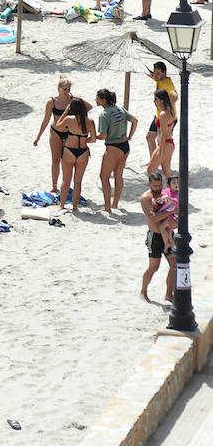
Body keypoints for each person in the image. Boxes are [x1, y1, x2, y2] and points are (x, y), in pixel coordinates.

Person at [95, 89, 137, 212]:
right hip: (125, 145)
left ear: (103, 100)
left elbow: (103, 135)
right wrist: (130, 136)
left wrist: (92, 138)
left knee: (104, 177)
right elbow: (135, 121)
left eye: (97, 98)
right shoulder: (120, 109)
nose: (96, 100)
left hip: (113, 147)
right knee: (119, 176)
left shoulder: (104, 114)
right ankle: (115, 204)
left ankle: (107, 207)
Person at [34, 76, 74, 195]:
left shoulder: (73, 100)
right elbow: (46, 120)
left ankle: (65, 184)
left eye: (69, 89)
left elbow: (87, 107)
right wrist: (38, 136)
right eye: (65, 90)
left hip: (68, 132)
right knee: (55, 159)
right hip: (55, 132)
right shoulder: (51, 101)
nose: (67, 92)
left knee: (66, 160)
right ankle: (54, 185)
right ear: (59, 89)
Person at [54, 96, 95, 214]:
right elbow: (93, 139)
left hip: (69, 151)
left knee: (66, 180)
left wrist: (66, 111)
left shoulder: (69, 119)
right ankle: (75, 206)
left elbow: (58, 126)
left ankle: (61, 205)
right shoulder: (90, 121)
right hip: (83, 152)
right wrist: (84, 140)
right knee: (78, 181)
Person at [141, 173, 177, 303]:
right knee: (154, 267)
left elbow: (177, 207)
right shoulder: (146, 198)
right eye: (154, 186)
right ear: (149, 184)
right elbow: (154, 218)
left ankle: (168, 294)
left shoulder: (165, 194)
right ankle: (143, 291)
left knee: (174, 265)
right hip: (155, 235)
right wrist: (169, 212)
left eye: (159, 185)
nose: (157, 188)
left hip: (168, 234)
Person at [151, 90, 176, 178]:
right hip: (168, 143)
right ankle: (171, 191)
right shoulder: (169, 111)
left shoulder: (163, 114)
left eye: (156, 99)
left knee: (150, 170)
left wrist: (160, 152)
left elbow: (164, 134)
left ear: (162, 100)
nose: (154, 101)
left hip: (165, 144)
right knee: (166, 172)